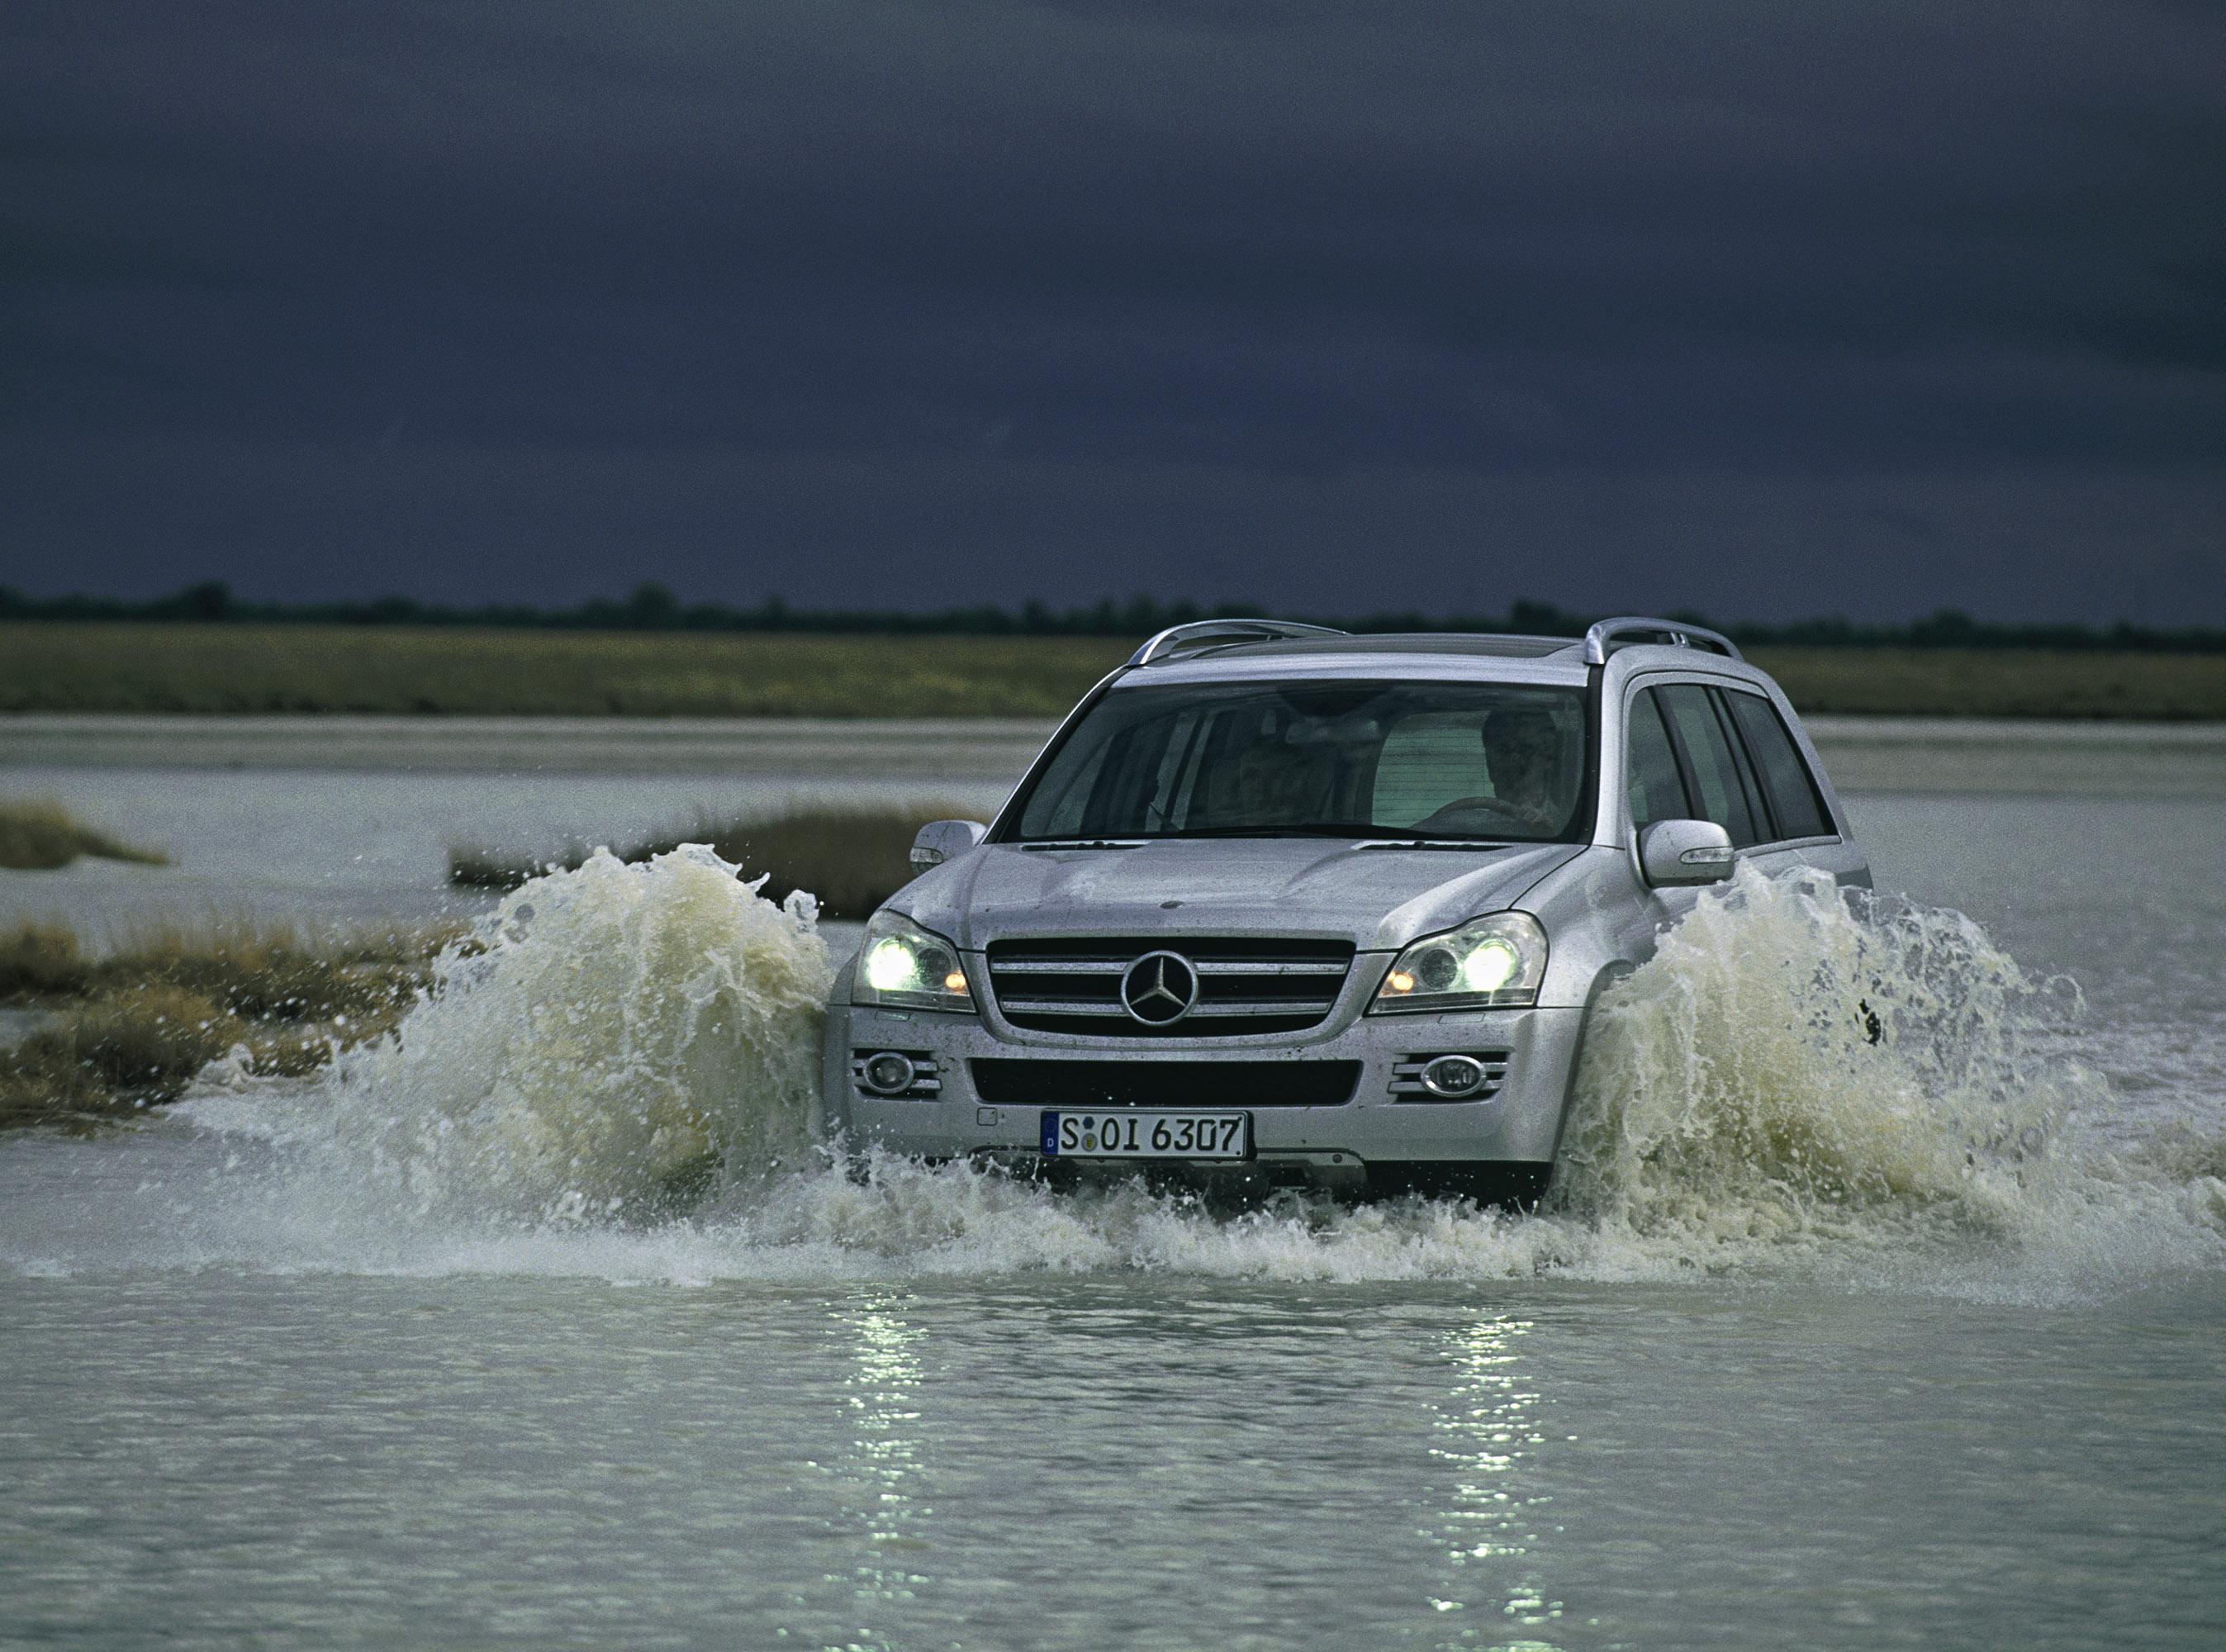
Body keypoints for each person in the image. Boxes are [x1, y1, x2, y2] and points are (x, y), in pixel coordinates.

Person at [1412, 705, 1564, 834]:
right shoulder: (1465, 827)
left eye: (1523, 749)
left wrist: (1544, 832)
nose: (1513, 759)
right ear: (1488, 759)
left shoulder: (1565, 830)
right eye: (1502, 749)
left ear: (1548, 756)